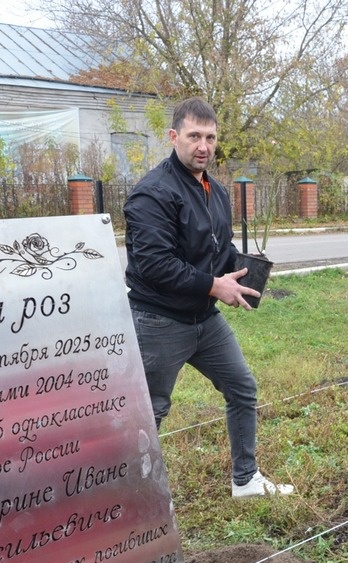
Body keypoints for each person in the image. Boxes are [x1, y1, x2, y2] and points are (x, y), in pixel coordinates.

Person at [124, 97, 293, 498]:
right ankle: (128, 498)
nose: (203, 145)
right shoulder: (152, 193)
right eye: (194, 136)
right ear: (173, 136)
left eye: (211, 137)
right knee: (151, 412)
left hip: (204, 318)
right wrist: (214, 285)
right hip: (158, 320)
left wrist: (243, 265)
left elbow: (217, 250)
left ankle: (246, 480)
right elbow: (154, 265)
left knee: (241, 387)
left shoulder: (213, 191)